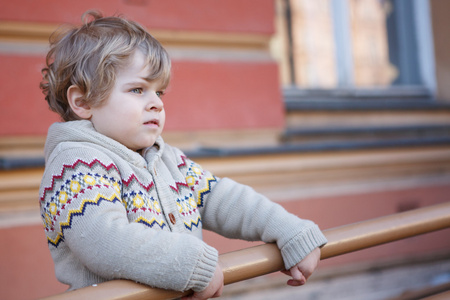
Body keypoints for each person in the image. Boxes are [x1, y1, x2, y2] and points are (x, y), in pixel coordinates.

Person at [39, 11, 327, 299]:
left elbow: (222, 198)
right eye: (138, 89)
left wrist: (289, 230)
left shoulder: (167, 160)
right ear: (83, 101)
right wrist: (192, 263)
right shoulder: (74, 164)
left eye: (159, 92)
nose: (155, 104)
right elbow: (104, 241)